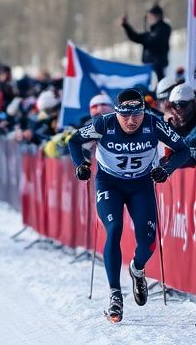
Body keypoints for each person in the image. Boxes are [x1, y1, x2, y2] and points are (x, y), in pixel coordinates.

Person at [68, 88, 189, 323]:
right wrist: (80, 164)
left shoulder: (153, 124)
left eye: (136, 115)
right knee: (114, 230)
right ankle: (115, 294)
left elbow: (184, 150)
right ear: (117, 113)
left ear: (143, 112)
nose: (131, 121)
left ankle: (137, 268)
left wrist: (166, 169)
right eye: (125, 116)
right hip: (109, 183)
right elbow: (74, 140)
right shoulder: (103, 124)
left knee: (148, 241)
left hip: (141, 185)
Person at [121, 4, 171, 82]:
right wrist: (126, 26)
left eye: (149, 16)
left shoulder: (163, 28)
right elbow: (136, 37)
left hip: (158, 68)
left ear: (156, 16)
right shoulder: (152, 31)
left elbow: (152, 41)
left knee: (158, 89)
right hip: (149, 68)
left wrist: (144, 38)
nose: (148, 19)